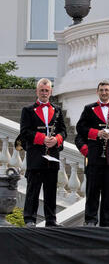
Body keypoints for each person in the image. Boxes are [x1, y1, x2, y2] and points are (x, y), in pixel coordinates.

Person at [75, 81, 109, 227]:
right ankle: (90, 220)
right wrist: (96, 133)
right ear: (97, 92)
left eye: (106, 90)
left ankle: (108, 220)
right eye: (101, 90)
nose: (104, 93)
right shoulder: (89, 108)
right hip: (94, 155)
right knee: (92, 190)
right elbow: (80, 128)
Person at [19, 78, 67, 227]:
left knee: (51, 189)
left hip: (52, 154)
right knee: (33, 189)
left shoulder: (57, 110)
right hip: (36, 155)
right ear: (37, 91)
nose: (44, 93)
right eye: (42, 90)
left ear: (51, 92)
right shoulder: (27, 110)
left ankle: (51, 220)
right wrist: (42, 139)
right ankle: (29, 219)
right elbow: (24, 132)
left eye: (47, 90)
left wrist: (57, 139)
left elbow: (63, 131)